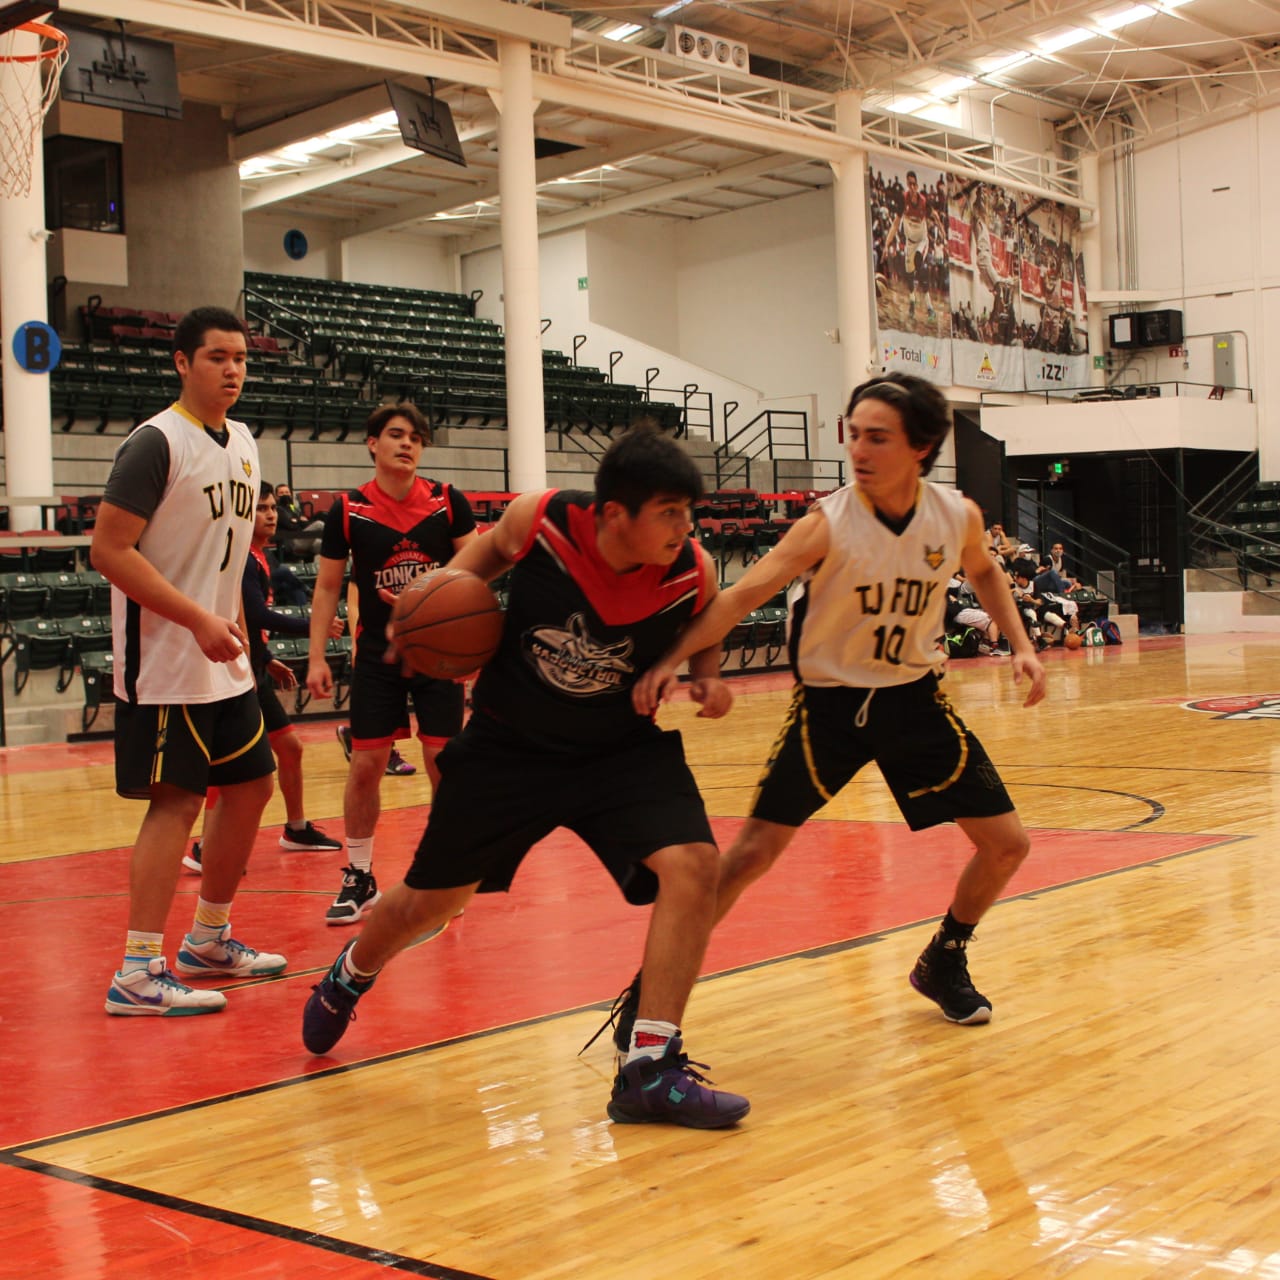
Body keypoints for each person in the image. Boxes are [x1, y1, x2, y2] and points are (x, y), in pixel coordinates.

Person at [302, 424, 750, 1130]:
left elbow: (707, 628)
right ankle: (352, 969)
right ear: (612, 514)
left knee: (695, 866)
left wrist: (707, 680)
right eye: (667, 512)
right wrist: (418, 627)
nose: (682, 527)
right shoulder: (539, 520)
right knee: (431, 903)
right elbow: (461, 576)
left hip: (617, 750)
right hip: (510, 746)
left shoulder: (692, 568)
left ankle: (649, 1067)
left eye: (687, 512)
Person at [632, 373, 1047, 1038]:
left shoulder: (956, 516)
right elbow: (739, 600)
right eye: (852, 435)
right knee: (750, 856)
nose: (858, 449)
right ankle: (651, 996)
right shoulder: (825, 524)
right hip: (830, 711)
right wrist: (667, 660)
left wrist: (1022, 644)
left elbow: (986, 569)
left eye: (876, 437)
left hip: (914, 705)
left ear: (921, 447)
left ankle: (945, 957)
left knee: (1006, 847)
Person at [92, 305, 284, 1017]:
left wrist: (241, 636)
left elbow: (226, 560)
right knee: (176, 802)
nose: (232, 369)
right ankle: (138, 971)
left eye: (240, 357)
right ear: (182, 362)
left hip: (222, 654)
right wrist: (197, 619)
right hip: (166, 659)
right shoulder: (154, 443)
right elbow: (108, 552)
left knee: (255, 785)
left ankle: (208, 937)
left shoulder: (243, 441)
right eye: (216, 357)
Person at [306, 403, 477, 925]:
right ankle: (359, 876)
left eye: (416, 438)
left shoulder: (448, 503)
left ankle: (446, 867)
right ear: (372, 444)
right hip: (377, 656)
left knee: (442, 762)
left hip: (437, 654)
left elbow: (477, 574)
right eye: (396, 435)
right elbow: (330, 585)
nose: (407, 444)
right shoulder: (349, 510)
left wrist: (472, 644)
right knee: (366, 766)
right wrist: (316, 655)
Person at [185, 481, 345, 872]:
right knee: (232, 767)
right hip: (235, 675)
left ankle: (295, 829)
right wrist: (316, 625)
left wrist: (268, 657)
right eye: (261, 508)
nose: (271, 515)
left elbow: (247, 621)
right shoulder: (240, 558)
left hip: (254, 667)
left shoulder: (259, 558)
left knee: (290, 749)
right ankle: (208, 846)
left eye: (273, 507)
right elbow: (253, 615)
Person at [274, 482, 325, 560]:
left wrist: (296, 521)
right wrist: (299, 520)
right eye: (281, 493)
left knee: (327, 546)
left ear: (290, 494)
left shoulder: (294, 509)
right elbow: (291, 526)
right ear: (276, 496)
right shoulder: (277, 510)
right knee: (319, 524)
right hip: (291, 542)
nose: (285, 495)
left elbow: (306, 524)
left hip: (303, 538)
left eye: (287, 492)